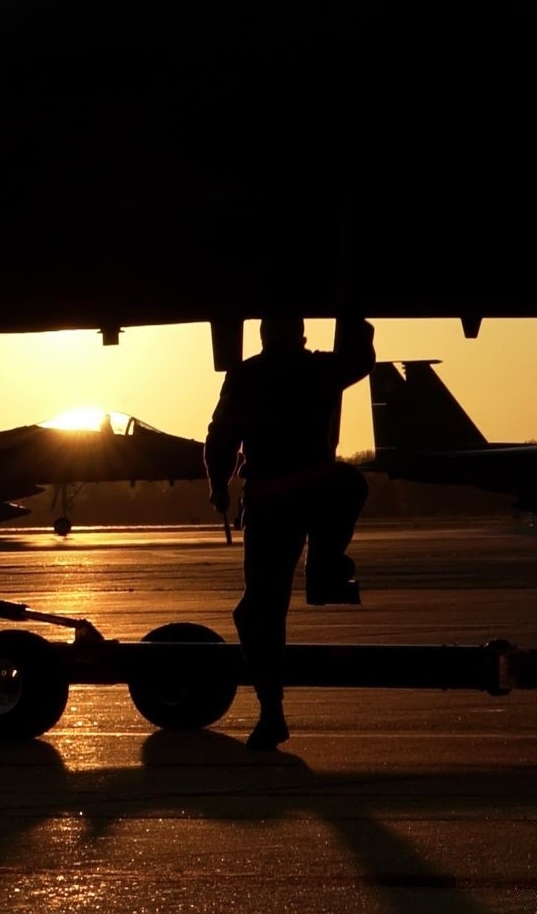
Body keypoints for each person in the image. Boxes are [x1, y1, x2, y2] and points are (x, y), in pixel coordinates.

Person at [205, 311, 375, 750]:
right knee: (351, 483)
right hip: (314, 490)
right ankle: (325, 565)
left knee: (259, 609)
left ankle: (270, 710)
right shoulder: (319, 368)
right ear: (300, 334)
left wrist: (218, 487)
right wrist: (354, 313)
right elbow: (360, 360)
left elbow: (220, 438)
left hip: (269, 500)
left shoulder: (246, 377)